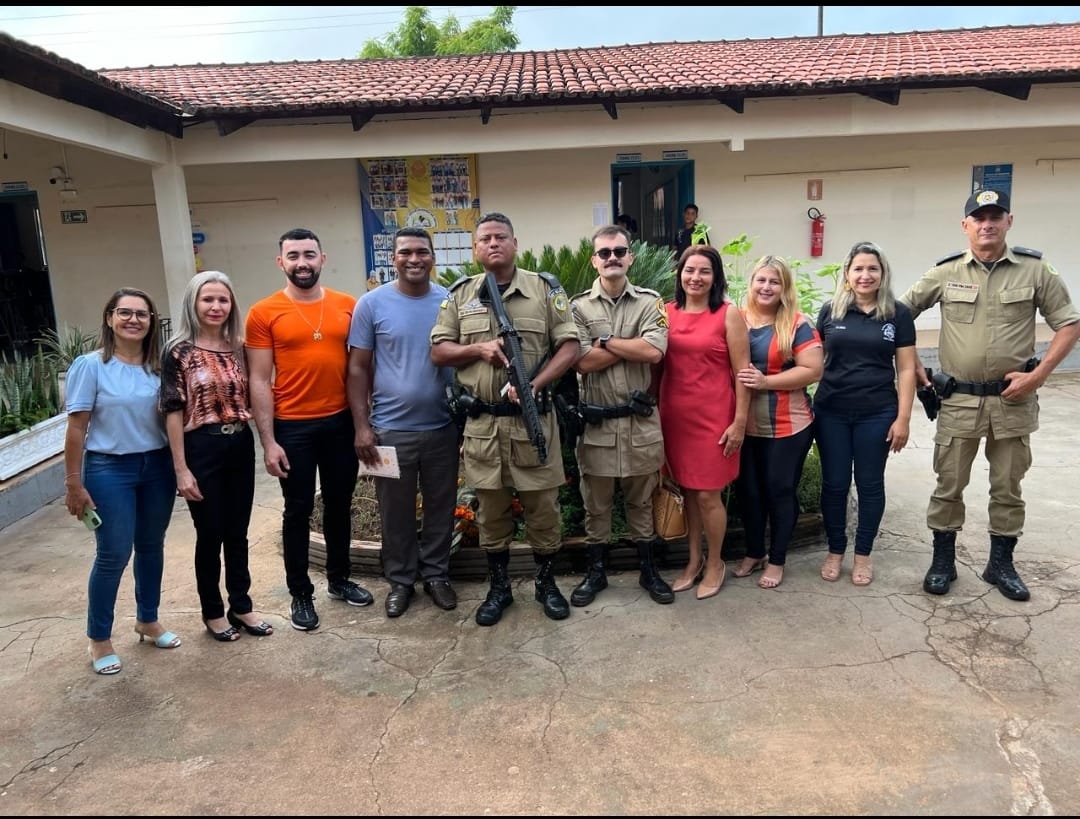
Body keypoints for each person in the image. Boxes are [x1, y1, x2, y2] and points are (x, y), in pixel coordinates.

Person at [901, 189, 1080, 600]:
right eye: (978, 218)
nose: (987, 224)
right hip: (959, 400)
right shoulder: (945, 273)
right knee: (949, 484)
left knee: (1008, 486)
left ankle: (1000, 564)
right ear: (965, 225)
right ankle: (943, 561)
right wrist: (912, 366)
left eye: (995, 217)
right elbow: (899, 315)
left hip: (1013, 399)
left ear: (1009, 221)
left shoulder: (1035, 271)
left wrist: (1040, 376)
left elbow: (1069, 323)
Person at [430, 212, 580, 626]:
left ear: (515, 243)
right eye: (485, 239)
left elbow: (571, 345)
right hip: (484, 427)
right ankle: (499, 589)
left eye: (501, 237)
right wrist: (478, 350)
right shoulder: (460, 295)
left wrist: (535, 383)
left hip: (532, 421)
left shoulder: (543, 289)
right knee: (491, 513)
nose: (493, 244)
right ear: (476, 249)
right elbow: (439, 350)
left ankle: (547, 585)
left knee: (544, 511)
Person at [246, 227, 373, 632]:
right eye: (294, 256)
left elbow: (360, 369)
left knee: (339, 504)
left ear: (323, 258)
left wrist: (361, 424)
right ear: (281, 262)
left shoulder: (348, 306)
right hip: (292, 426)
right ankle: (301, 594)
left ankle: (339, 579)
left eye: (309, 255)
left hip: (339, 422)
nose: (302, 263)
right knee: (298, 509)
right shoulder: (263, 312)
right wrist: (267, 442)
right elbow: (260, 380)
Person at [63, 288, 180, 675]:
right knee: (113, 554)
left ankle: (147, 619)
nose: (133, 320)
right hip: (109, 469)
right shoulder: (90, 365)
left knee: (151, 546)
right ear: (110, 317)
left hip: (156, 468)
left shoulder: (160, 367)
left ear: (151, 322)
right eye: (124, 313)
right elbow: (77, 429)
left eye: (142, 314)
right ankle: (100, 638)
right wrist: (73, 484)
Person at [347, 227, 459, 618]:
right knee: (392, 511)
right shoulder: (371, 304)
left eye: (422, 252)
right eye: (405, 252)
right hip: (387, 430)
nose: (414, 259)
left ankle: (437, 576)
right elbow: (358, 369)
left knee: (441, 506)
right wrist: (362, 427)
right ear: (392, 258)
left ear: (433, 257)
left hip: (443, 428)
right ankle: (400, 581)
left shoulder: (450, 301)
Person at [161, 271, 273, 642]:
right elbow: (172, 409)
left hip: (239, 444)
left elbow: (257, 392)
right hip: (201, 447)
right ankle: (212, 612)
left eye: (223, 300)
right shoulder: (178, 351)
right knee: (209, 533)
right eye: (207, 299)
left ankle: (241, 605)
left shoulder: (240, 347)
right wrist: (181, 468)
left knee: (238, 532)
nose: (216, 306)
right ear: (193, 303)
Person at [567, 224, 673, 607]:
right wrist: (632, 345)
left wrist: (606, 342)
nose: (612, 258)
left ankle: (648, 570)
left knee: (641, 502)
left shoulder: (650, 301)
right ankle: (597, 573)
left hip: (640, 423)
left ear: (630, 257)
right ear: (594, 260)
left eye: (619, 251)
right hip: (597, 425)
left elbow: (655, 352)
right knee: (595, 505)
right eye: (604, 252)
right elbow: (580, 361)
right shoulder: (578, 307)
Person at [814, 241, 917, 586]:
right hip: (831, 411)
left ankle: (863, 555)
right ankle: (835, 550)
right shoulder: (831, 312)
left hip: (877, 412)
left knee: (870, 485)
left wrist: (903, 418)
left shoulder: (897, 314)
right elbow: (814, 360)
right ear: (847, 274)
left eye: (872, 268)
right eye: (858, 268)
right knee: (834, 484)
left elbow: (905, 369)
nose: (865, 275)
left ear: (882, 273)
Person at [658, 245, 750, 599]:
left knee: (709, 496)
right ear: (680, 274)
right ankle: (693, 560)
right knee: (688, 493)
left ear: (716, 278)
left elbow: (743, 373)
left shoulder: (728, 315)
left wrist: (739, 422)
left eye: (704, 271)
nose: (695, 278)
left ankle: (715, 562)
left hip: (714, 419)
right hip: (674, 418)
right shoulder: (666, 313)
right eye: (689, 270)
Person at [734, 255, 823, 589]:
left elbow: (813, 369)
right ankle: (754, 551)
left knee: (779, 491)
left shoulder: (797, 324)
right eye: (761, 280)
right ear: (751, 283)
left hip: (788, 426)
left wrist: (766, 382)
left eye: (775, 281)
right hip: (744, 425)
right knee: (748, 492)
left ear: (785, 287)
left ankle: (777, 558)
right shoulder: (737, 319)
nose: (766, 287)